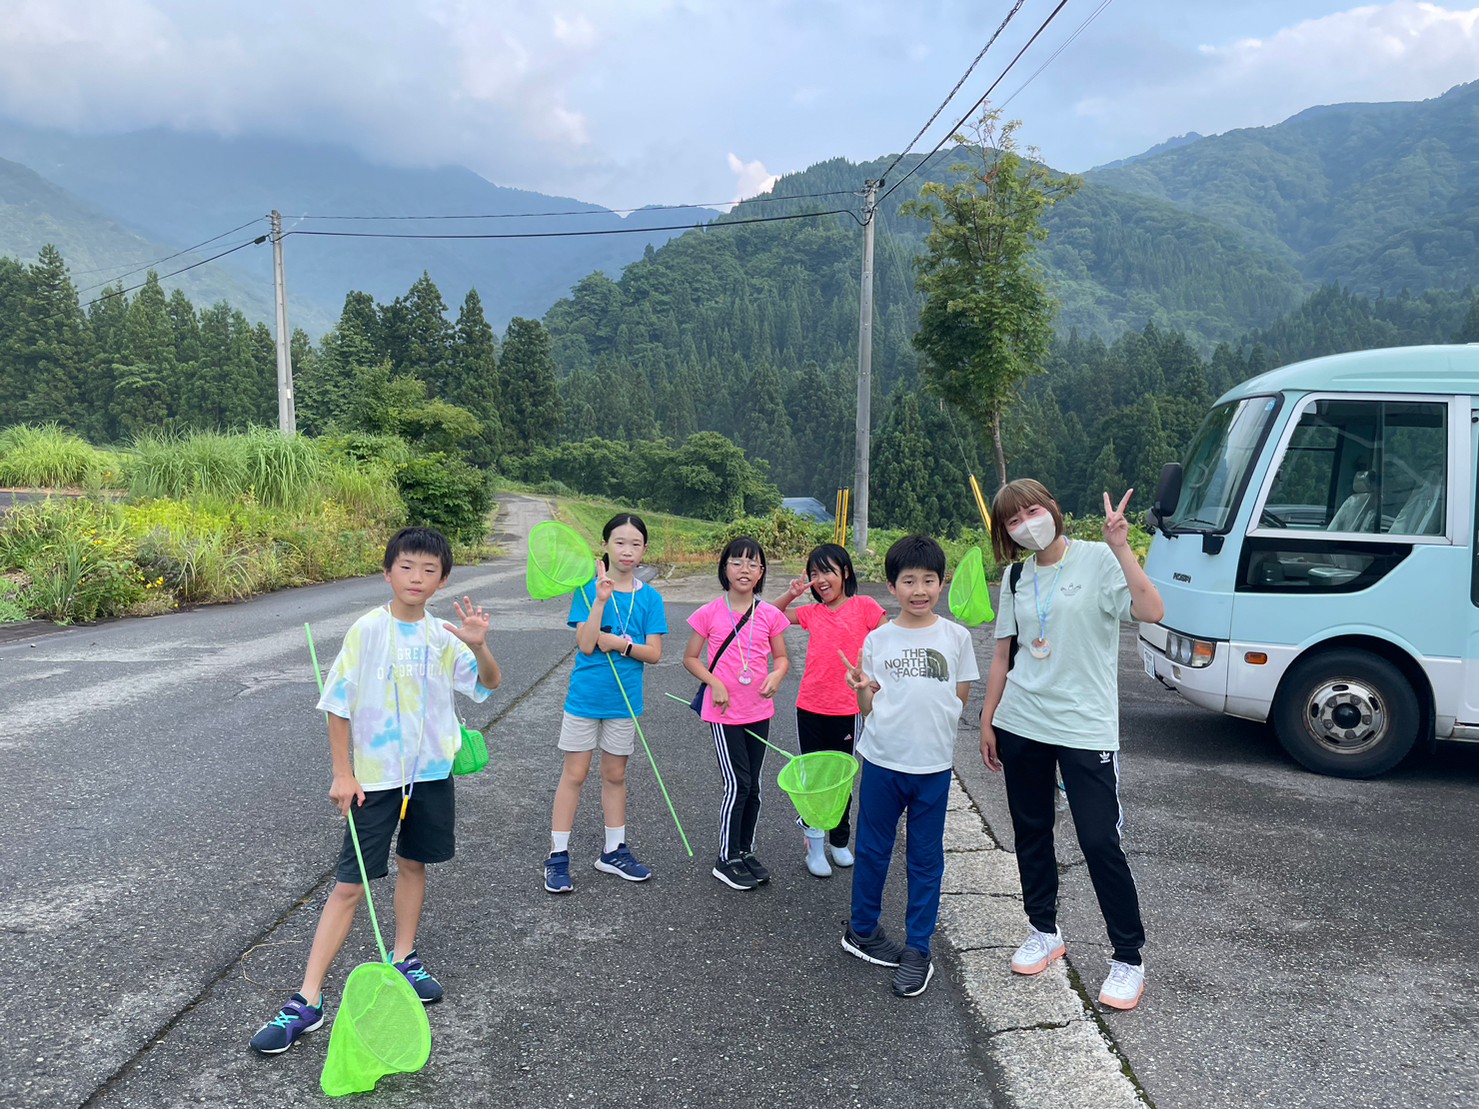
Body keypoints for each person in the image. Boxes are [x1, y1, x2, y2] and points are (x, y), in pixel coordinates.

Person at [249, 526, 501, 1055]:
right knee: (350, 885)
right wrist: (343, 773)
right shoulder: (366, 630)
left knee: (414, 864)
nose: (416, 577)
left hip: (431, 774)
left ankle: (403, 957)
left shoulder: (443, 635)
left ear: (443, 580)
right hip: (376, 781)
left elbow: (488, 684)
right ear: (388, 573)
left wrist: (479, 646)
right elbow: (337, 704)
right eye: (406, 566)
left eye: (429, 570)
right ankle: (307, 999)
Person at [979, 481, 1164, 1012]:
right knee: (1031, 832)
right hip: (1021, 721)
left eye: (1032, 511)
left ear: (1054, 509)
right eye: (1013, 520)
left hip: (1085, 727)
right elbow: (1003, 654)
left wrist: (1122, 547)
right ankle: (1044, 930)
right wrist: (988, 719)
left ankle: (1128, 957)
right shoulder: (1016, 576)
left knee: (1099, 840)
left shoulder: (1099, 559)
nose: (1026, 524)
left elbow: (1151, 610)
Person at [839, 535, 978, 998]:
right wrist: (862, 690)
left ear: (942, 583)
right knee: (872, 850)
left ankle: (919, 948)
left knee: (925, 858)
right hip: (882, 761)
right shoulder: (877, 639)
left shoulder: (957, 637)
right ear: (891, 586)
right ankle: (861, 930)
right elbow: (867, 709)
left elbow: (959, 697)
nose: (919, 590)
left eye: (929, 580)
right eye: (909, 581)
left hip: (933, 766)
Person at [544, 513, 667, 894]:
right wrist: (600, 600)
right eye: (619, 542)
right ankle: (557, 856)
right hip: (585, 698)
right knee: (575, 774)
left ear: (644, 550)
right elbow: (585, 644)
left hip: (624, 702)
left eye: (635, 544)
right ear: (605, 546)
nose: (627, 551)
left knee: (615, 775)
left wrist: (621, 645)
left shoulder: (650, 598)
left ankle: (613, 851)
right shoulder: (587, 589)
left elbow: (654, 653)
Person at [683, 536, 791, 891]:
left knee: (754, 786)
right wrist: (714, 682)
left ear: (761, 572)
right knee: (738, 784)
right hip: (725, 713)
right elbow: (690, 658)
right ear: (724, 568)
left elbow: (782, 658)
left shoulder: (770, 614)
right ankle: (725, 858)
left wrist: (777, 675)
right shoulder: (709, 613)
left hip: (759, 711)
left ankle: (745, 850)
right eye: (737, 561)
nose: (745, 569)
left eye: (753, 563)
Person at [774, 543, 886, 878]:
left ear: (845, 572)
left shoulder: (865, 606)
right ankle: (814, 845)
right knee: (812, 779)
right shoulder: (812, 612)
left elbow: (889, 639)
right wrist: (792, 594)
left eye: (827, 571)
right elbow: (770, 616)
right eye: (814, 573)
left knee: (841, 779)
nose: (820, 579)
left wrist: (875, 678)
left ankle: (839, 840)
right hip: (809, 706)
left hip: (847, 709)